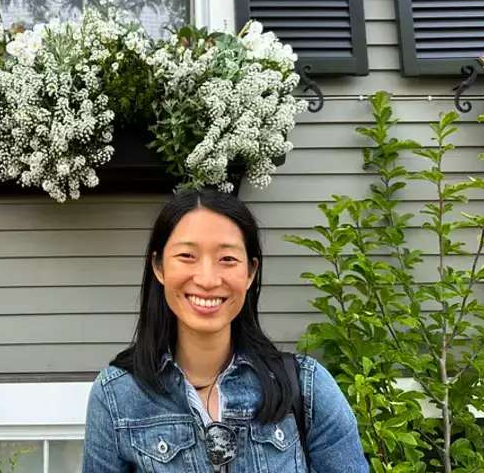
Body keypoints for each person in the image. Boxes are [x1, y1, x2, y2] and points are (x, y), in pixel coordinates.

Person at [82, 188, 368, 472]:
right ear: (159, 267)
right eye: (186, 255)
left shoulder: (307, 387)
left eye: (227, 259)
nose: (207, 279)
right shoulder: (116, 396)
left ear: (250, 272)